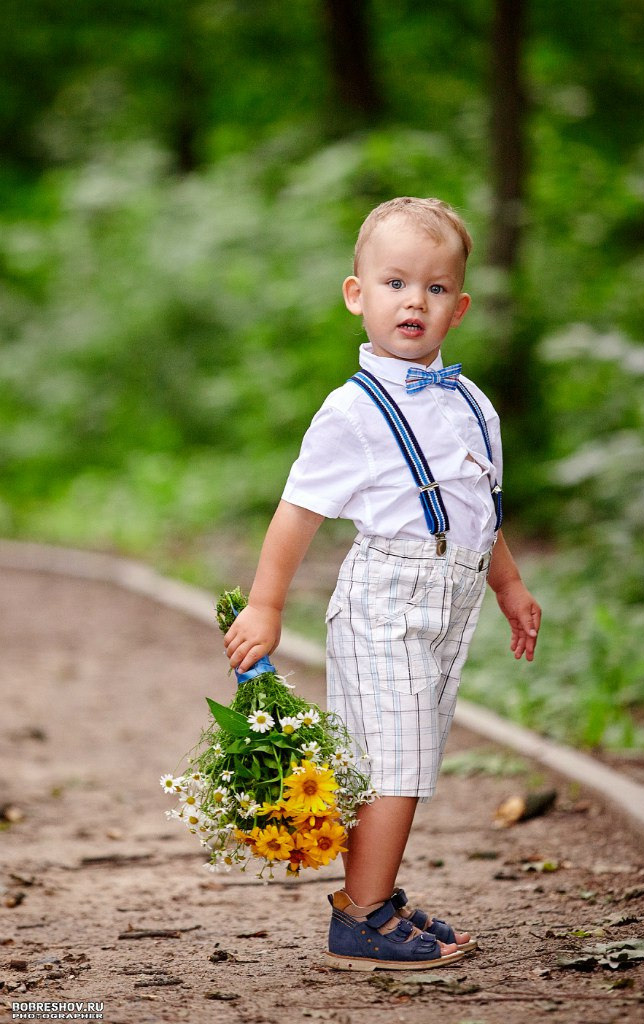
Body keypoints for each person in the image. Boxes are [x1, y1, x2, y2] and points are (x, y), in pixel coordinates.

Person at [224, 196, 541, 971]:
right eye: (396, 282)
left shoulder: (472, 404)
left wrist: (509, 585)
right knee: (391, 762)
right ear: (356, 294)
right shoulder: (352, 412)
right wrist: (266, 605)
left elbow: (477, 508)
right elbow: (296, 513)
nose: (415, 301)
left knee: (410, 758)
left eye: (435, 289)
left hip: (453, 599)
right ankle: (359, 915)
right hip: (385, 605)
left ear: (458, 309)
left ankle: (374, 894)